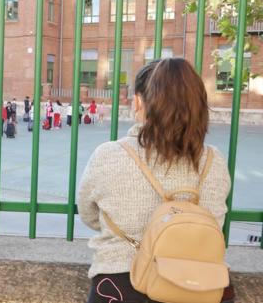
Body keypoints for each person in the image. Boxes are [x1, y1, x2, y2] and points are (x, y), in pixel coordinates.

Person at [78, 58, 231, 303]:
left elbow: (89, 214)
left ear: (138, 101)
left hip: (120, 282)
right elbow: (216, 223)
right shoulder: (214, 161)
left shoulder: (108, 155)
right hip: (198, 284)